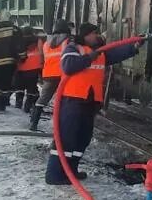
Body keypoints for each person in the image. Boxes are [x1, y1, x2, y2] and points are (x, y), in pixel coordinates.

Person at [45, 24, 141, 185]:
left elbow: (116, 53)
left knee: (82, 138)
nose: (97, 36)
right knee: (66, 138)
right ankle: (54, 175)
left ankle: (71, 171)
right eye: (94, 33)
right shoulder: (73, 48)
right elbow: (68, 66)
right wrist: (90, 57)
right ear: (86, 35)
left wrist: (135, 46)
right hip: (72, 100)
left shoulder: (100, 52)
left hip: (89, 102)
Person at [29, 20, 70, 131]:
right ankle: (61, 128)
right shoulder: (67, 41)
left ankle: (33, 123)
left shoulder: (47, 43)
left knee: (42, 100)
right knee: (64, 100)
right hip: (63, 75)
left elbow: (43, 58)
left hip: (49, 74)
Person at [13, 26, 42, 112]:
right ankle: (28, 105)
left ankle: (18, 102)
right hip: (34, 68)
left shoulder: (18, 41)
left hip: (20, 68)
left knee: (19, 87)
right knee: (31, 87)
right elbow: (41, 53)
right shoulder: (38, 40)